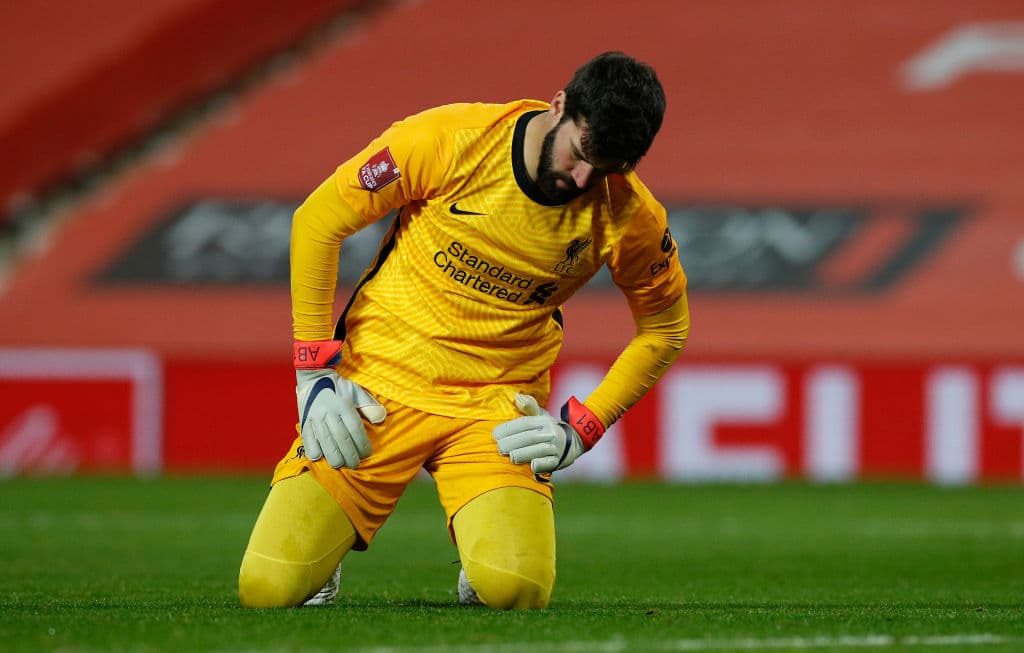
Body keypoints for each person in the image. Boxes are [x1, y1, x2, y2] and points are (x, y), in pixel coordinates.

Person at [237, 51, 689, 610]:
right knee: (267, 589)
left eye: (609, 169)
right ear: (559, 107)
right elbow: (319, 221)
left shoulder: (632, 216)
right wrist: (312, 372)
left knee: (514, 590)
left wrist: (583, 428)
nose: (582, 179)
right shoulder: (448, 140)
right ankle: (321, 565)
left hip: (495, 406)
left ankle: (485, 559)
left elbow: (665, 330)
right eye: (581, 154)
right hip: (377, 386)